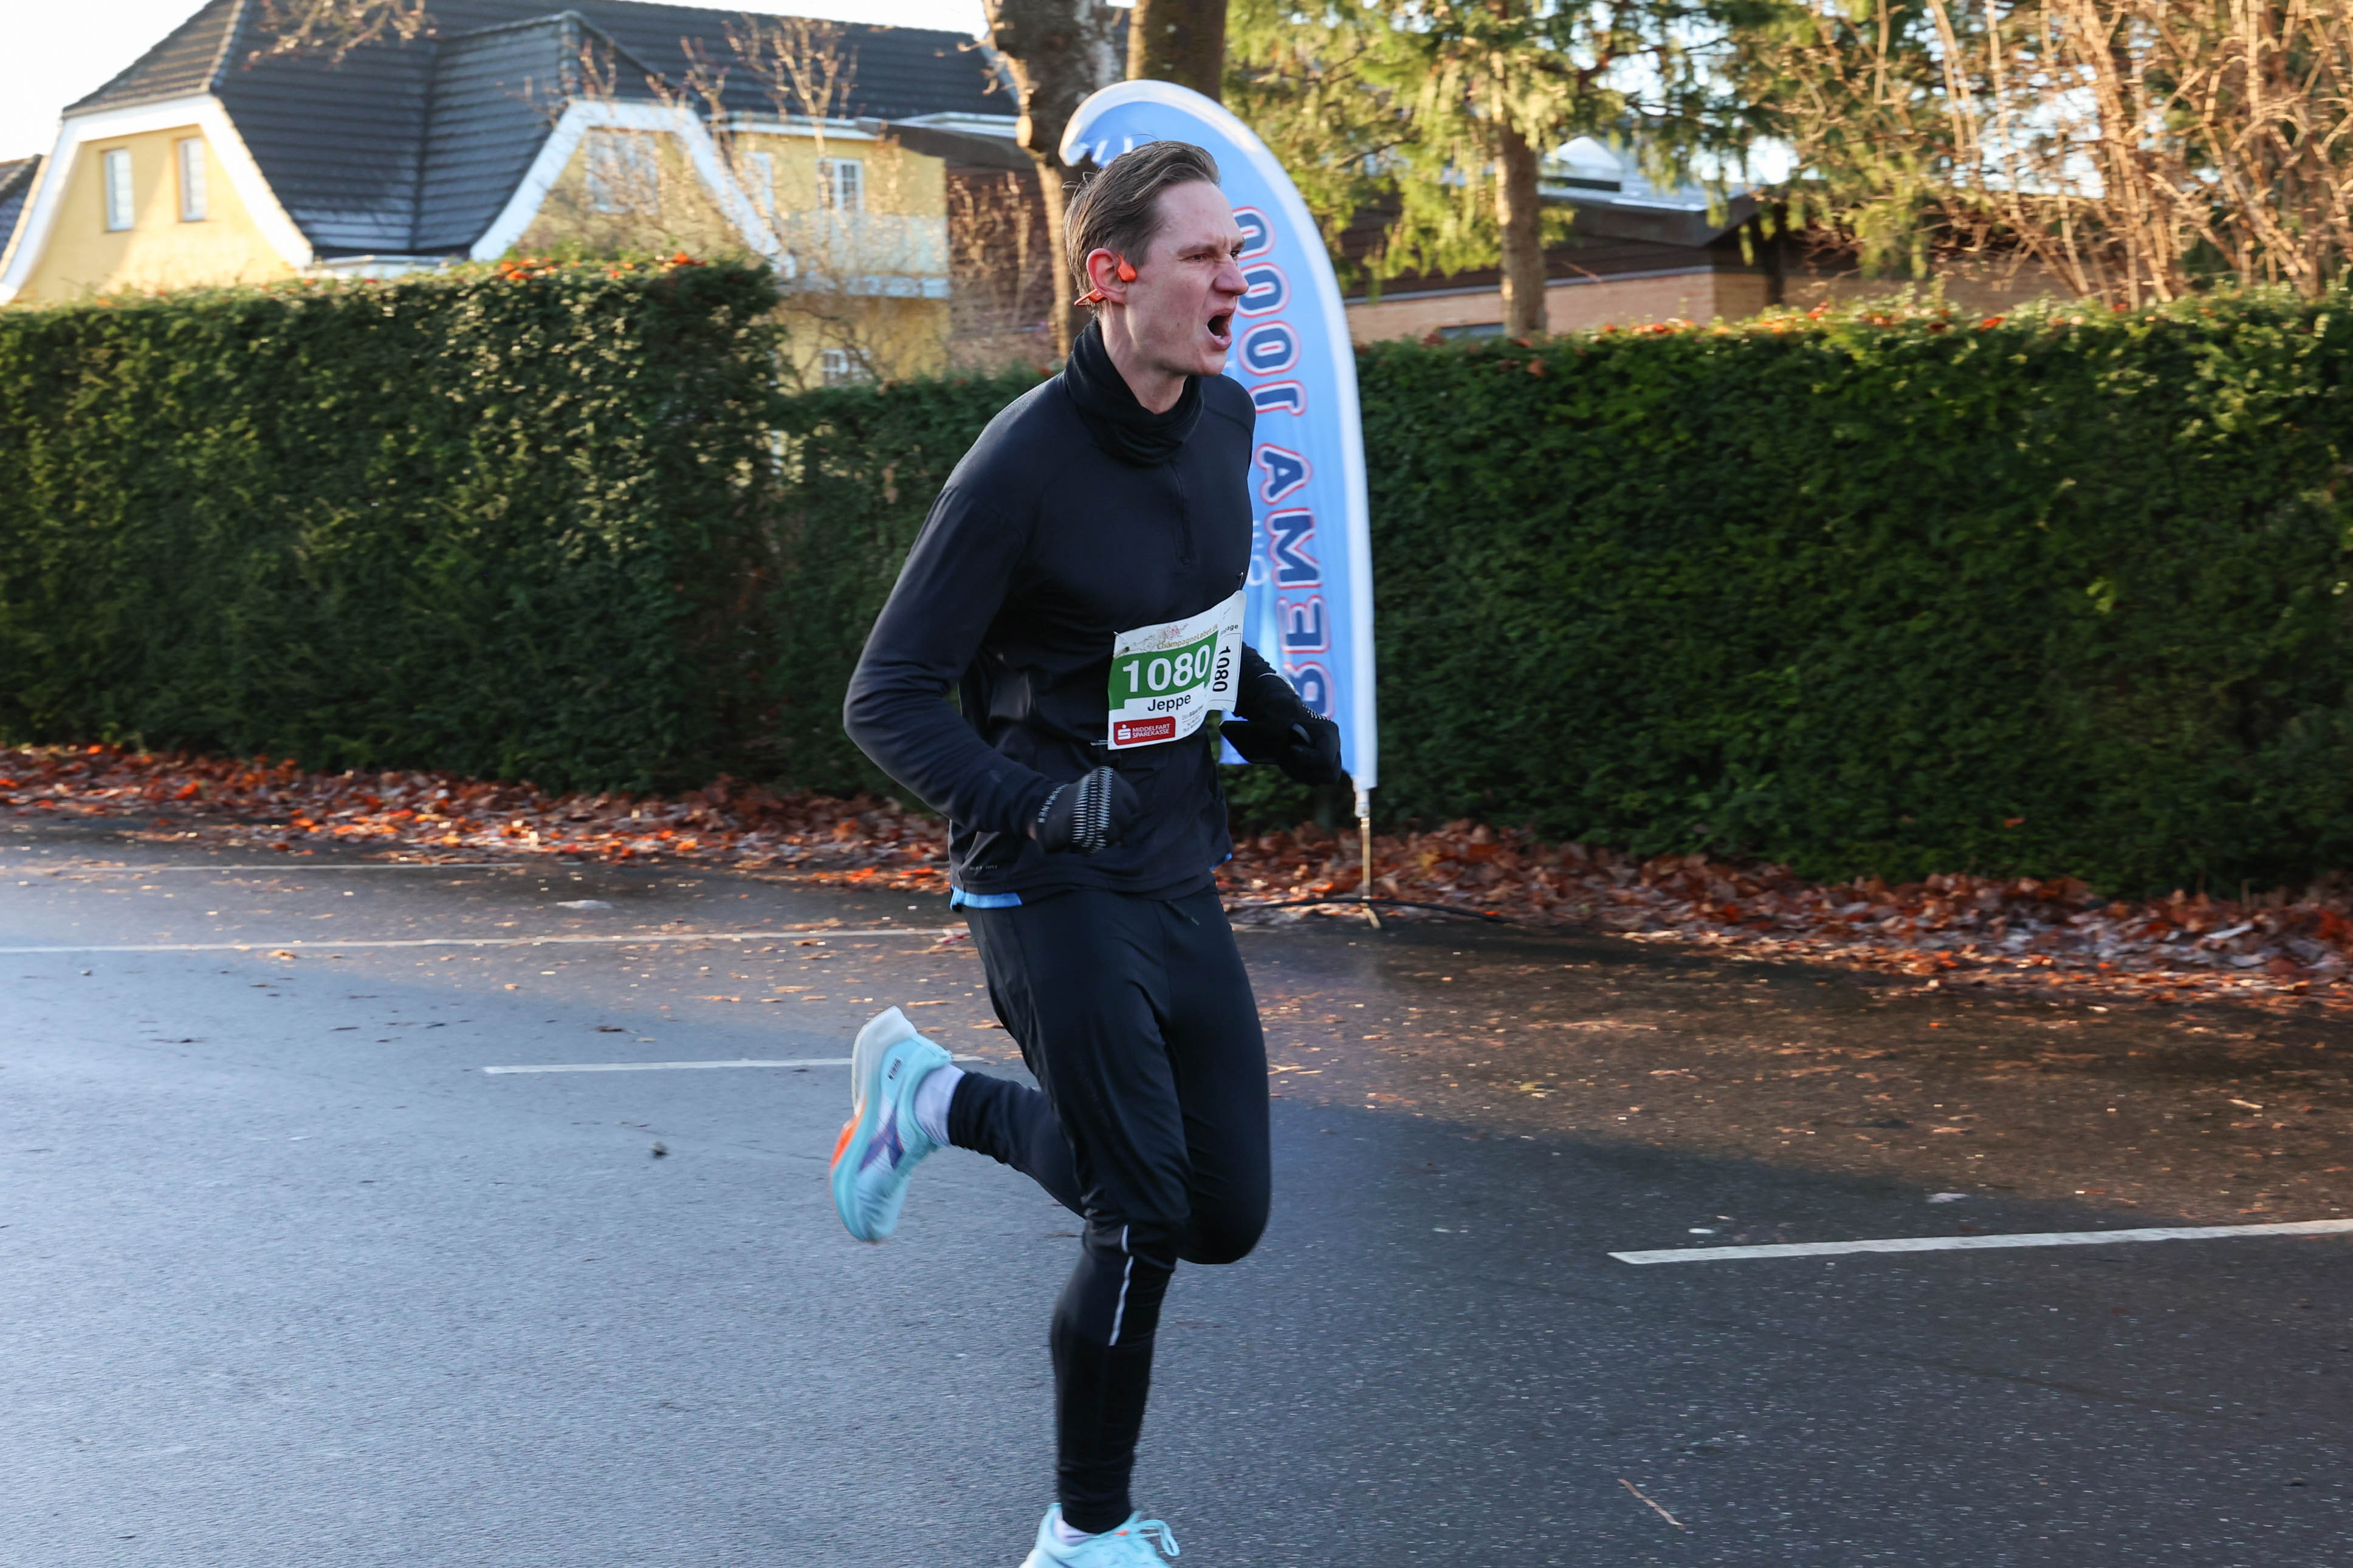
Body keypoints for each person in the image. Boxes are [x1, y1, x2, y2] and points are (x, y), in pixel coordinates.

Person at [830, 139, 1345, 1567]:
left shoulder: (1225, 419)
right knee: (1140, 1211)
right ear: (1112, 277)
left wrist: (1269, 713)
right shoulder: (1022, 464)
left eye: (1238, 256)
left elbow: (1185, 622)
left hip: (1169, 857)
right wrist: (1029, 801)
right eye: (1204, 257)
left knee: (1219, 1207)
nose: (1235, 282)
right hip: (1041, 874)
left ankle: (933, 1101)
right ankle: (1083, 1532)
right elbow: (885, 697)